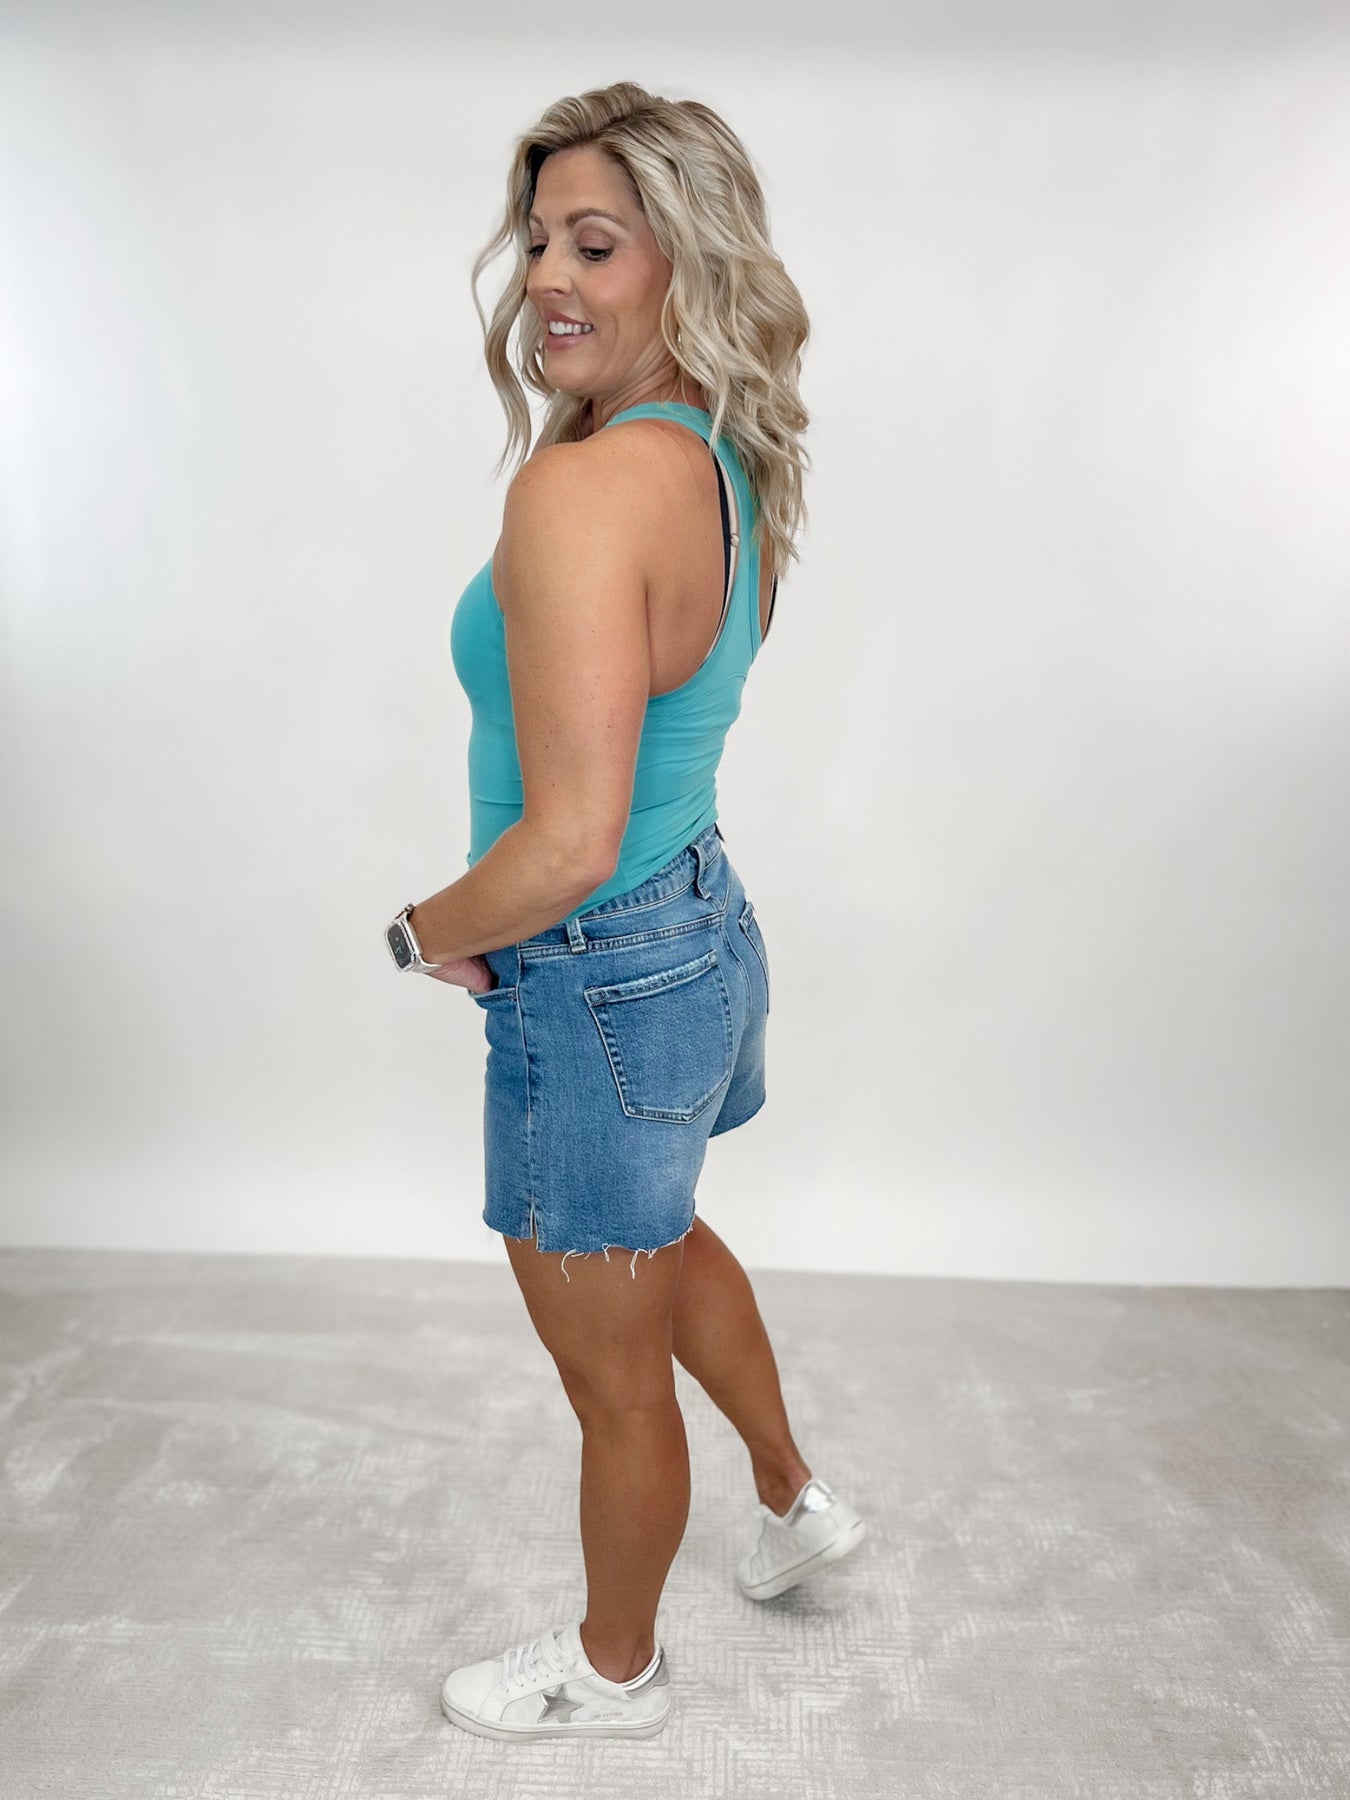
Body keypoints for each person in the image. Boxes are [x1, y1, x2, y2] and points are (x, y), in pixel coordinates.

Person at [385, 81, 866, 1742]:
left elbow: (569, 841)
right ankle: (793, 1498)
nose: (545, 279)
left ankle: (612, 1674)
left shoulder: (580, 494)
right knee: (660, 1240)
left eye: (594, 244)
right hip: (696, 930)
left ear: (688, 261)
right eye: (536, 243)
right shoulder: (720, 458)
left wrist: (425, 925)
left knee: (609, 1375)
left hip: (593, 965)